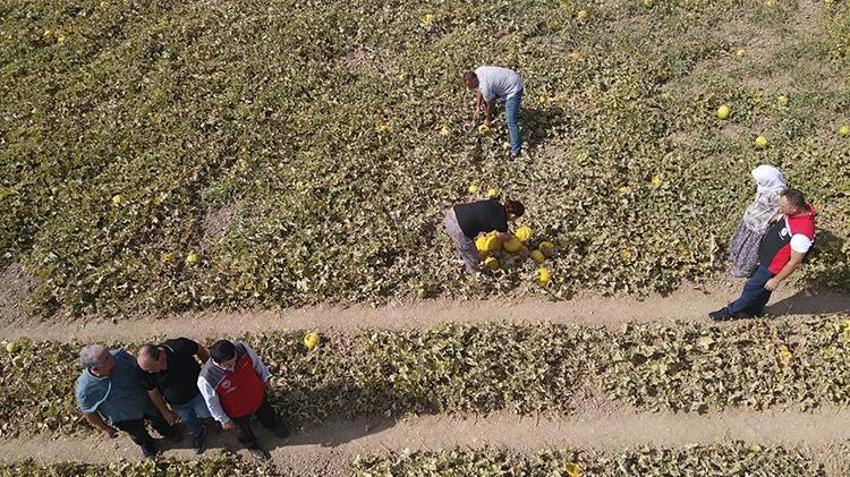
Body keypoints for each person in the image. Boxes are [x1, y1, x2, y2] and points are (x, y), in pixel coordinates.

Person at [710, 188, 815, 320]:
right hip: (767, 258)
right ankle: (754, 311)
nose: (779, 207)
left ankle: (730, 312)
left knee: (752, 287)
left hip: (772, 266)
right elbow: (786, 220)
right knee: (763, 289)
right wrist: (779, 218)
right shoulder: (797, 212)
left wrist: (776, 280)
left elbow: (795, 262)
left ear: (794, 208)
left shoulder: (802, 234)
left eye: (782, 206)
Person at [76, 345, 179, 459]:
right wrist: (105, 428)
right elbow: (89, 413)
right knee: (138, 435)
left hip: (145, 403)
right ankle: (148, 446)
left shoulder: (120, 357)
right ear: (95, 369)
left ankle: (169, 432)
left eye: (108, 353)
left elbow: (142, 370)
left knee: (158, 420)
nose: (112, 357)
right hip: (125, 417)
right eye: (106, 358)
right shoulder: (85, 390)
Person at [197, 340, 288, 461]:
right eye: (228, 365)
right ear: (218, 362)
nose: (233, 364)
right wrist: (223, 420)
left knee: (267, 413)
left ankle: (272, 425)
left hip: (257, 396)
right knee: (242, 431)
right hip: (236, 410)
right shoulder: (206, 378)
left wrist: (265, 378)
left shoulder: (242, 349)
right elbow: (212, 403)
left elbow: (257, 363)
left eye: (234, 360)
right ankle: (252, 446)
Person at [137, 338, 212, 454]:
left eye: (152, 368)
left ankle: (212, 421)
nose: (150, 372)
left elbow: (199, 349)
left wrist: (210, 371)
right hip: (178, 403)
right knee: (189, 420)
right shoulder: (144, 371)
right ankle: (199, 433)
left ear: (161, 356)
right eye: (147, 370)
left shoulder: (179, 347)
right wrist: (165, 412)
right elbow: (153, 392)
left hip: (198, 393)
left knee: (206, 412)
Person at [728, 165, 786, 278]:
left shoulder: (778, 195)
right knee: (742, 242)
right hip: (751, 220)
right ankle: (737, 258)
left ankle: (745, 269)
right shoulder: (767, 186)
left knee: (750, 249)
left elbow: (780, 211)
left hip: (760, 225)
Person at [444, 198, 525, 273]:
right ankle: (473, 273)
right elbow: (501, 236)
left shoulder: (494, 204)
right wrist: (511, 238)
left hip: (453, 213)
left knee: (462, 247)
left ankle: (461, 259)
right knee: (471, 254)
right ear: (513, 216)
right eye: (516, 218)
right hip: (458, 228)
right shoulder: (501, 220)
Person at [462, 66, 524, 159]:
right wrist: (478, 106)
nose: (469, 88)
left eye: (469, 85)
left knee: (511, 121)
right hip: (509, 77)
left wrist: (487, 120)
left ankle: (515, 150)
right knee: (490, 98)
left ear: (474, 80)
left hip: (513, 88)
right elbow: (480, 90)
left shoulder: (485, 86)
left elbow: (491, 104)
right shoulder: (478, 71)